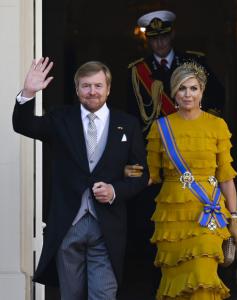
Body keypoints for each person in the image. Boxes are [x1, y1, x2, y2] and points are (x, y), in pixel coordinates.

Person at [12, 57, 149, 299]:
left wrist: (115, 190)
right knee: (71, 295)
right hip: (69, 224)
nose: (92, 91)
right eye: (86, 86)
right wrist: (28, 93)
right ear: (77, 90)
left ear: (108, 89)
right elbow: (25, 126)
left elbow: (138, 173)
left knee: (104, 294)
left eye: (98, 86)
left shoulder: (126, 125)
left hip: (107, 224)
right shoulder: (60, 118)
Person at [146, 61, 237, 299]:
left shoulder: (217, 125)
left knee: (202, 278)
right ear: (173, 93)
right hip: (172, 219)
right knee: (176, 285)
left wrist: (235, 218)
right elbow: (151, 176)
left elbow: (226, 177)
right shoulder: (161, 128)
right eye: (182, 88)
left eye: (193, 88)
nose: (187, 94)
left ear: (202, 92)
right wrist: (124, 172)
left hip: (208, 214)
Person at [127, 9, 225, 137]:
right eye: (154, 38)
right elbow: (132, 113)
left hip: (193, 137)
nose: (160, 43)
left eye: (164, 37)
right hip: (155, 142)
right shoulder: (138, 71)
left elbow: (217, 93)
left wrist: (205, 123)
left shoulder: (193, 61)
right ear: (147, 39)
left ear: (172, 34)